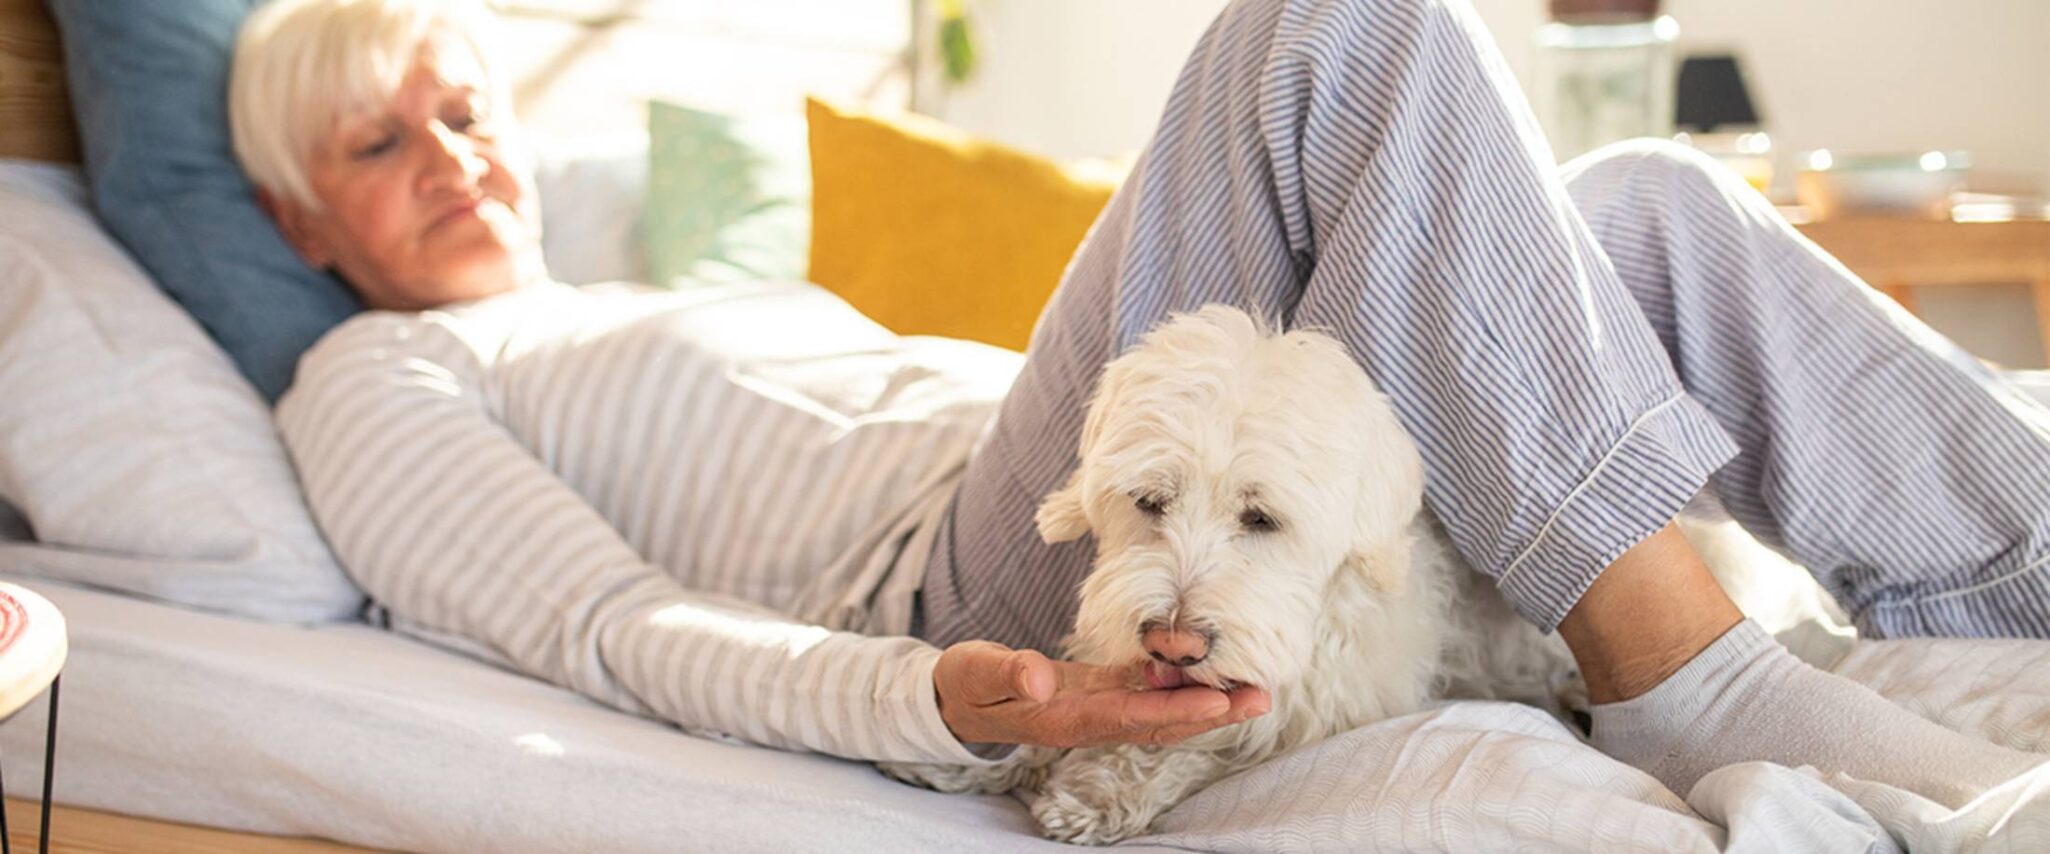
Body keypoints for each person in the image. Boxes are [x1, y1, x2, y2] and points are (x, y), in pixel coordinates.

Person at [234, 0, 2046, 807]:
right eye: (377, 143)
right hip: (972, 578)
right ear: (295, 217)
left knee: (1642, 203)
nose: (454, 157)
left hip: (1098, 445)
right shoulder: (379, 375)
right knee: (1333, 29)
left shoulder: (640, 284)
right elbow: (609, 630)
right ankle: (1684, 674)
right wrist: (922, 698)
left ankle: (2016, 574)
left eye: (464, 105)